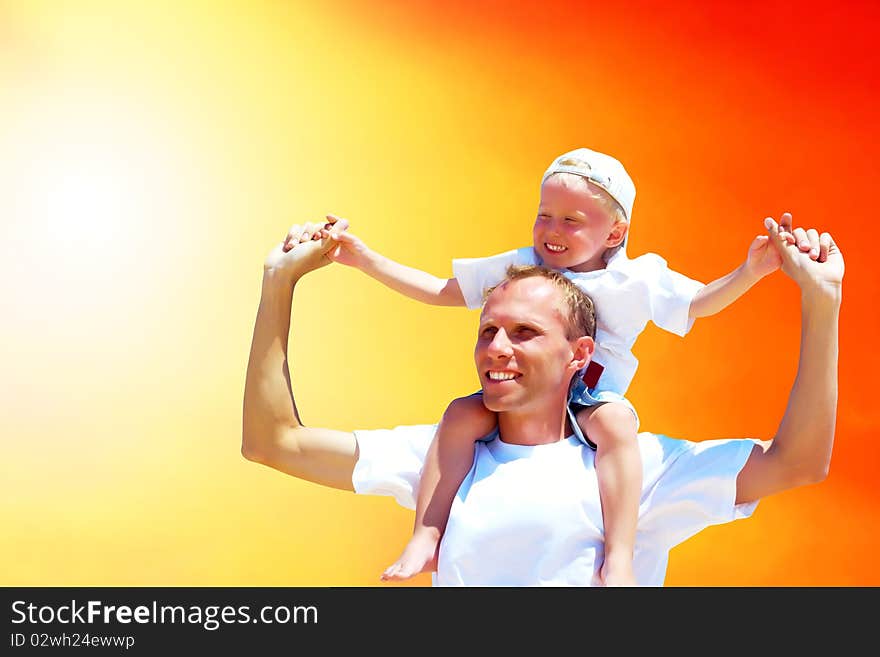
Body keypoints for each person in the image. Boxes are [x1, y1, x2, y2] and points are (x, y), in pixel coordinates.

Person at [241, 213, 842, 586]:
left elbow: (798, 462)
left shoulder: (636, 468)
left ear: (580, 355)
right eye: (487, 331)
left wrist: (821, 305)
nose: (496, 347)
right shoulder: (443, 461)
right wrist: (279, 282)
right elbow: (276, 443)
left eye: (524, 333)